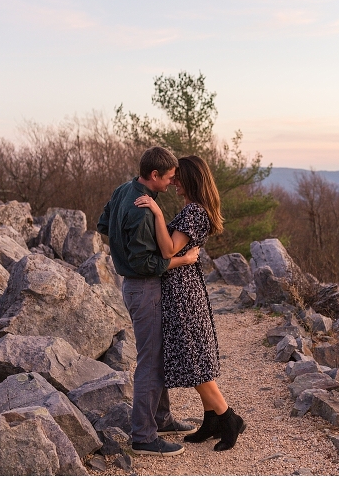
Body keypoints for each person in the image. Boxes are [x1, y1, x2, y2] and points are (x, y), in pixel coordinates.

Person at [134, 155, 246, 452]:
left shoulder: (194, 212)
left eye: (178, 176)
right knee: (192, 357)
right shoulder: (193, 210)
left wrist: (158, 213)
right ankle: (211, 420)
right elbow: (175, 251)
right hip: (181, 290)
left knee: (194, 359)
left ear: (191, 178)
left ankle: (228, 418)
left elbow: (169, 248)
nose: (173, 181)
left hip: (184, 295)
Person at [97, 146, 199, 457]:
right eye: (168, 178)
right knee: (151, 361)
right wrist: (182, 261)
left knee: (157, 354)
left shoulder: (123, 189)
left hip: (136, 287)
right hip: (143, 287)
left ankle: (162, 418)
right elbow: (145, 264)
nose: (171, 183)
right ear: (154, 175)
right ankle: (143, 435)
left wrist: (124, 245)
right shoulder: (142, 209)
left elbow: (103, 225)